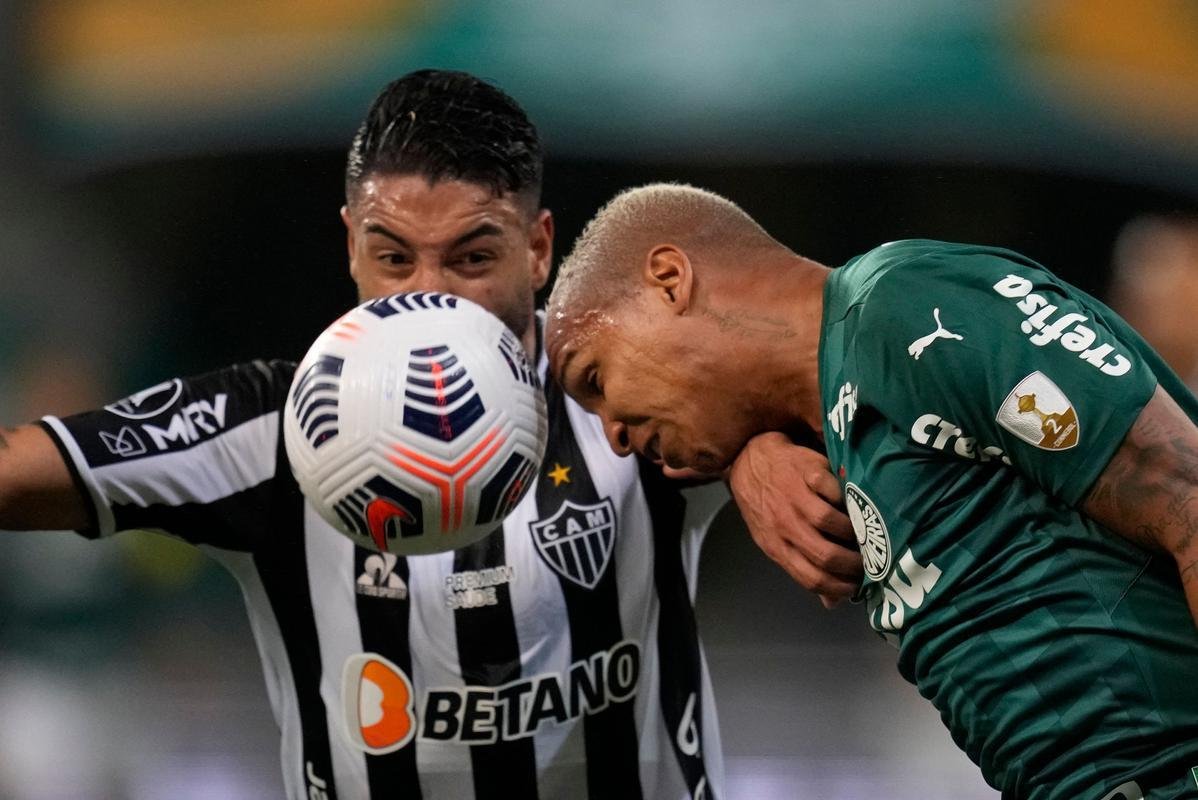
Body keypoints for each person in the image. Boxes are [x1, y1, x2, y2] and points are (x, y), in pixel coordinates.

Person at [0, 74, 859, 799]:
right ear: (350, 247)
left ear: (538, 249)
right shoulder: (266, 430)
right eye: (394, 258)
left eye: (472, 260)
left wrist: (753, 448)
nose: (430, 302)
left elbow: (790, 369)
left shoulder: (625, 381)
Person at [544, 182, 1198, 800]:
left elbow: (1187, 500)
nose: (615, 436)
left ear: (669, 279)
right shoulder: (839, 415)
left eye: (596, 379)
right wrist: (750, 453)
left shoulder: (909, 306)